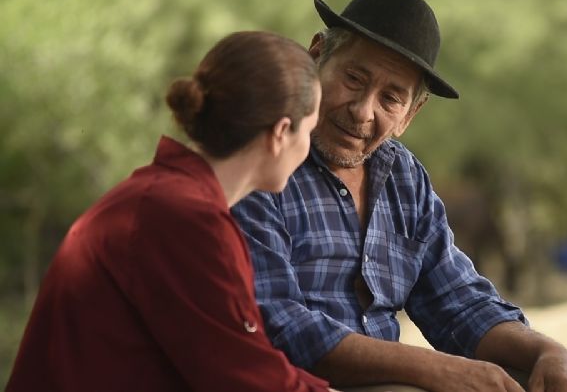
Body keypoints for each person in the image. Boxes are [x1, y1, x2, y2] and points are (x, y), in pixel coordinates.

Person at [231, 0, 567, 392]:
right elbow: (280, 324)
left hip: (390, 384)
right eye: (353, 78)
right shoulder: (260, 161)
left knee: (531, 379)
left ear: (410, 114)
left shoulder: (403, 178)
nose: (363, 111)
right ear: (315, 57)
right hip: (292, 383)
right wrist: (436, 369)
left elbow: (459, 302)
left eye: (390, 98)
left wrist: (549, 351)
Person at [7, 31, 334, 392]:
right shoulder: (185, 219)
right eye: (310, 129)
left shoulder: (165, 199)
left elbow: (245, 362)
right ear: (281, 132)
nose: (308, 145)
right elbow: (247, 378)